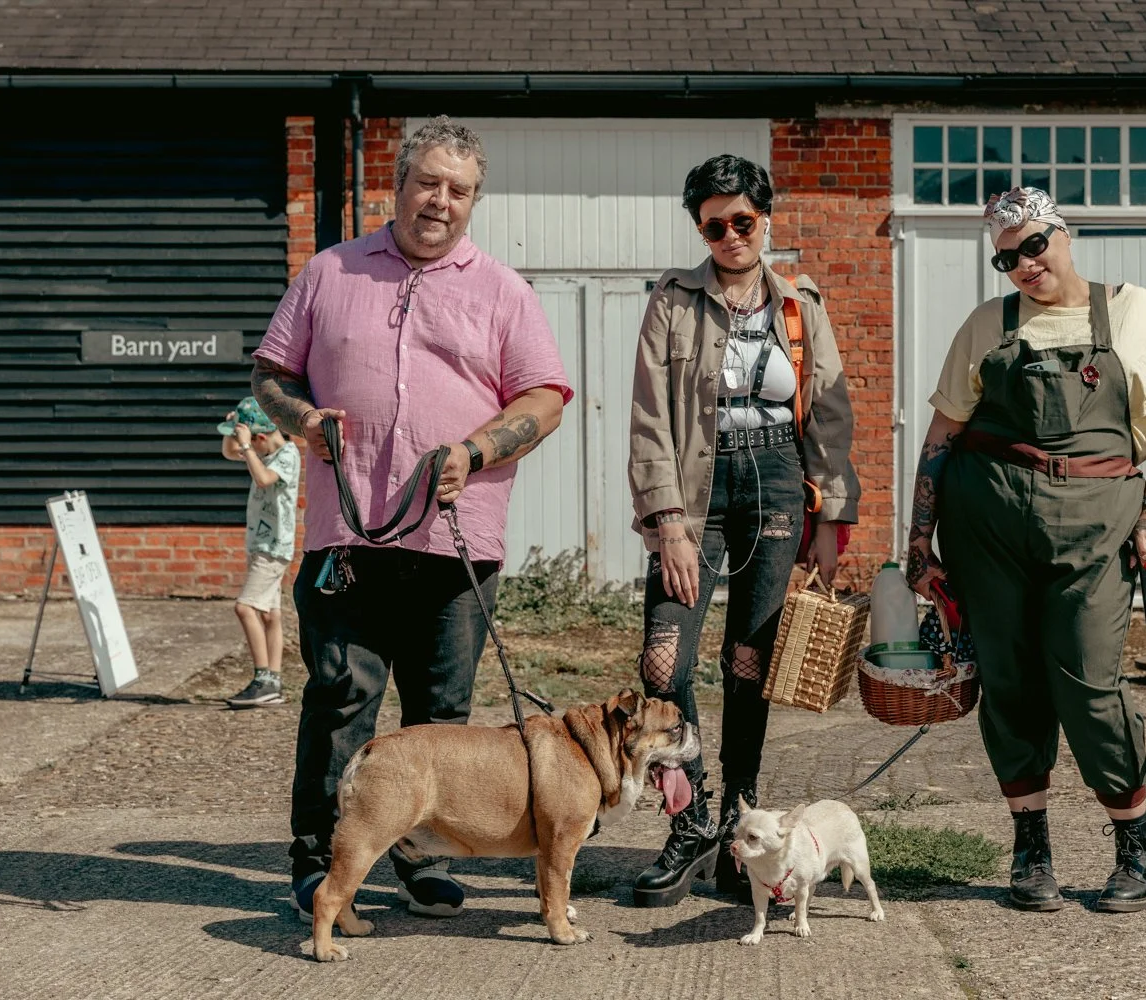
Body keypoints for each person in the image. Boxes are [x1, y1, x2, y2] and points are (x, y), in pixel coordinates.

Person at [250, 116, 572, 922]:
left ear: (474, 200)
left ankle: (422, 855)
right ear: (396, 184)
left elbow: (543, 398)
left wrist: (480, 446)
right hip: (345, 536)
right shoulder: (330, 271)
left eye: (458, 189)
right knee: (339, 698)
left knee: (442, 714)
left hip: (455, 540)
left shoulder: (504, 290)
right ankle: (320, 861)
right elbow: (269, 375)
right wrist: (301, 420)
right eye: (427, 182)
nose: (440, 201)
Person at [906, 187, 1146, 914]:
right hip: (989, 528)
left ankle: (1134, 843)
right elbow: (943, 438)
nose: (1024, 265)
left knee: (1087, 680)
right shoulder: (988, 325)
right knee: (1008, 682)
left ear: (1064, 236)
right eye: (1006, 258)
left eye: (1034, 246)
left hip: (1098, 528)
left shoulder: (1132, 312)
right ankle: (1029, 846)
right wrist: (919, 540)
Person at [627, 154, 860, 907]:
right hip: (696, 488)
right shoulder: (672, 301)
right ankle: (689, 815)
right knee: (665, 661)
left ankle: (742, 825)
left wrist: (834, 518)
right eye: (713, 223)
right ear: (699, 225)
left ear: (766, 217)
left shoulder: (801, 303)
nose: (729, 235)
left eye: (743, 221)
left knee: (748, 662)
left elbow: (828, 412)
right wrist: (668, 525)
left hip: (780, 486)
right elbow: (650, 420)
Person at [217, 396, 300, 709]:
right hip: (261, 544)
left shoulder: (287, 454)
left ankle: (263, 677)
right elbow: (229, 452)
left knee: (245, 607)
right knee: (269, 613)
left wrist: (248, 447)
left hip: (273, 545)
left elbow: (264, 480)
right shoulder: (262, 451)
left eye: (253, 443)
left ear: (262, 437)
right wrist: (233, 434)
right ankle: (273, 682)